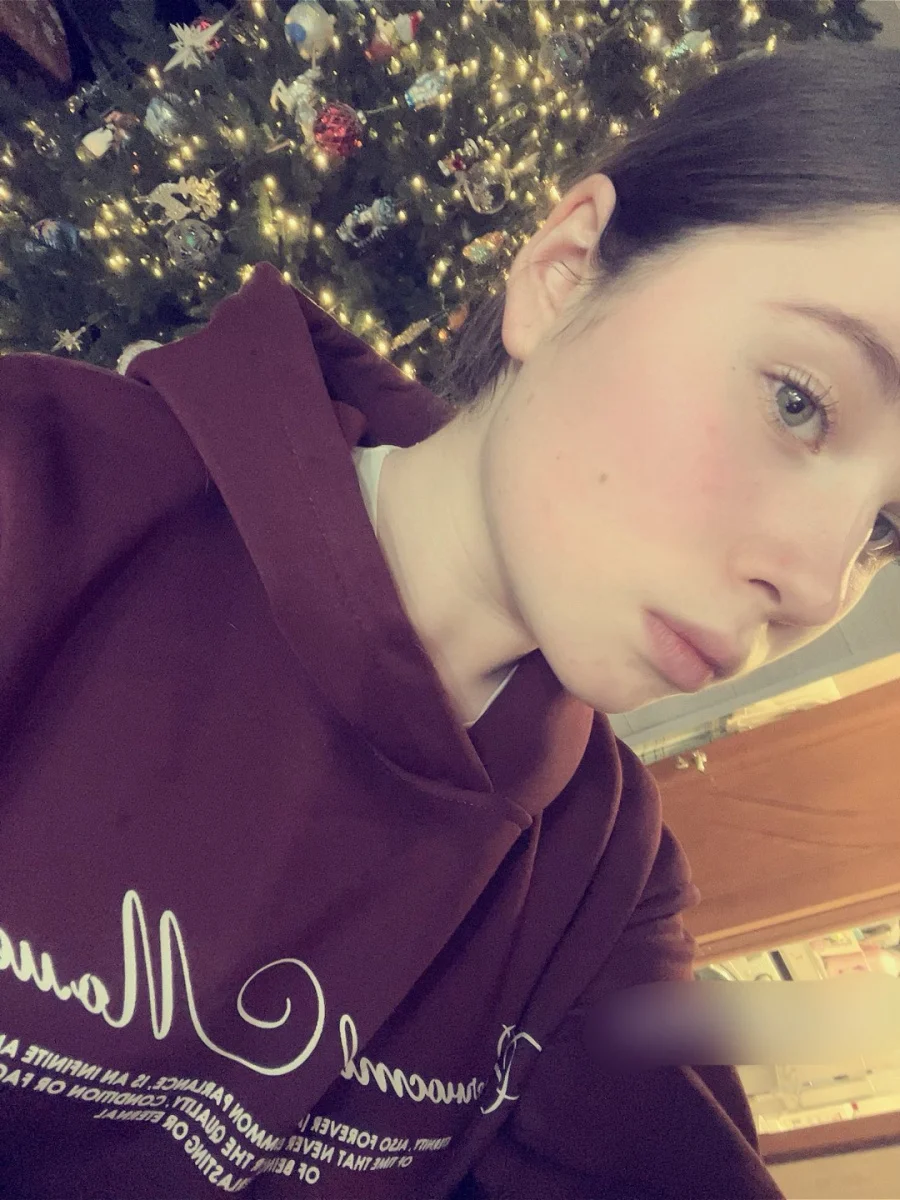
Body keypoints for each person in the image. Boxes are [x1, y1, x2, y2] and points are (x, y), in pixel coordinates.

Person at [2, 38, 899, 1199]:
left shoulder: (603, 876)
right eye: (800, 400)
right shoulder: (39, 485)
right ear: (563, 273)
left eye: (888, 528)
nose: (822, 581)